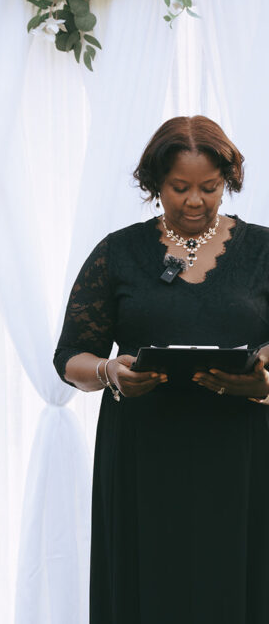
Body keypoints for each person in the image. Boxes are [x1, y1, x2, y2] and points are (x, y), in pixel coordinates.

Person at [54, 115, 269, 623]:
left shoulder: (263, 251)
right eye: (179, 188)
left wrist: (263, 380)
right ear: (154, 184)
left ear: (228, 182)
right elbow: (70, 358)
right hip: (143, 456)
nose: (195, 201)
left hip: (242, 456)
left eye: (209, 188)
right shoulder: (116, 253)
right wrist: (110, 371)